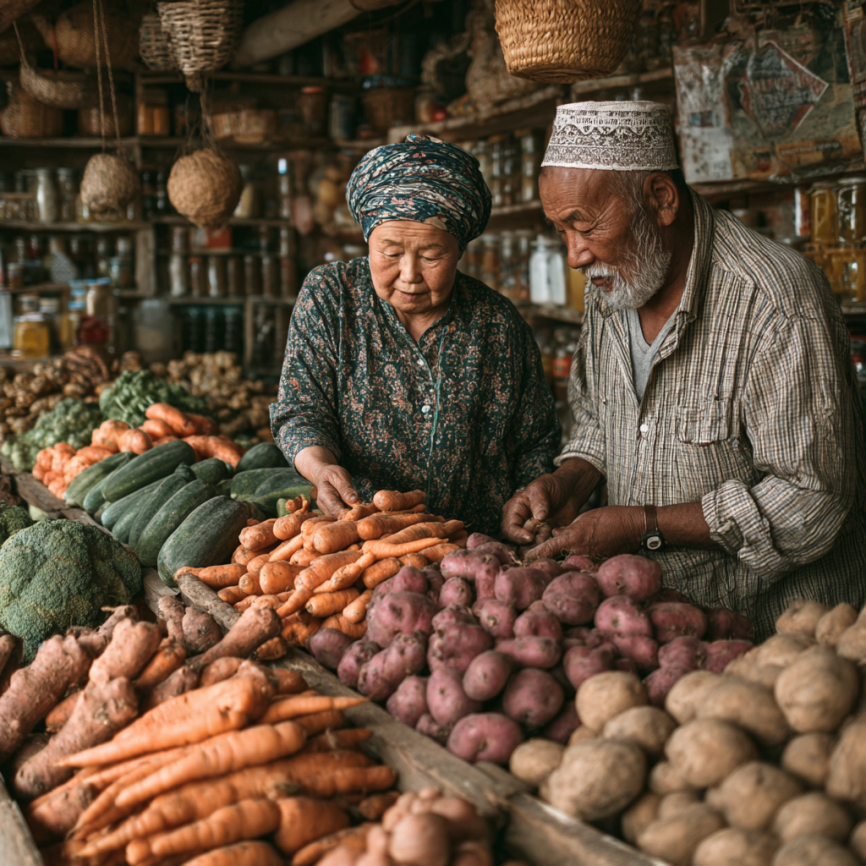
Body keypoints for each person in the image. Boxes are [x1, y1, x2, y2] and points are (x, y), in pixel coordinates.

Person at [502, 101, 866, 636]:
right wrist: (570, 482)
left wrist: (643, 526)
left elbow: (813, 500)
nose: (575, 255)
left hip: (777, 633)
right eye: (561, 230)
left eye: (586, 226)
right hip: (652, 624)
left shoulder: (774, 301)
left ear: (661, 199)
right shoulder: (613, 284)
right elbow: (601, 418)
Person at [271, 134, 560, 535]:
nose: (409, 275)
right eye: (390, 253)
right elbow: (301, 410)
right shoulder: (331, 297)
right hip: (360, 538)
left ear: (459, 250)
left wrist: (530, 507)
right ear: (367, 241)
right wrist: (320, 468)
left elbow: (535, 441)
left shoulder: (497, 323)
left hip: (476, 544)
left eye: (431, 255)